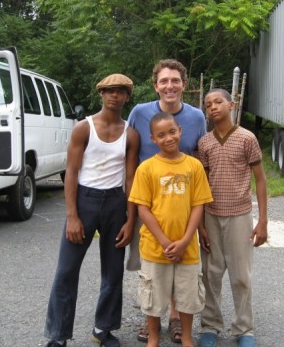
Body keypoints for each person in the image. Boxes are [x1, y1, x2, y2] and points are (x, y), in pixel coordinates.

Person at [43, 74, 139, 347]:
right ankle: (57, 335)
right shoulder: (83, 129)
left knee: (113, 271)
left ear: (127, 96)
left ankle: (103, 329)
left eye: (120, 92)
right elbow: (71, 173)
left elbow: (130, 178)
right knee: (66, 271)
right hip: (85, 202)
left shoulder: (130, 134)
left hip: (115, 204)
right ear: (101, 94)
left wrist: (130, 220)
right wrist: (72, 216)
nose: (114, 96)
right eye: (109, 91)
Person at [127, 58, 206, 343]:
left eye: (175, 80)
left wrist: (199, 227)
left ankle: (176, 319)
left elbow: (200, 159)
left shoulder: (197, 117)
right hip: (149, 204)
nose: (169, 85)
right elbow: (130, 156)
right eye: (164, 81)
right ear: (155, 85)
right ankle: (151, 324)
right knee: (151, 269)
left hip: (183, 206)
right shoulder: (139, 112)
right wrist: (130, 211)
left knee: (183, 272)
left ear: (184, 85)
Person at [197, 88, 268, 347]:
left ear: (232, 104)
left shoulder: (247, 138)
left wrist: (262, 221)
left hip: (239, 216)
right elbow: (202, 184)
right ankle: (210, 325)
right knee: (210, 274)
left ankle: (243, 329)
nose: (213, 107)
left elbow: (260, 180)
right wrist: (200, 225)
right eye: (208, 104)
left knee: (241, 276)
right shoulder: (204, 143)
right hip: (211, 217)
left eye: (218, 102)